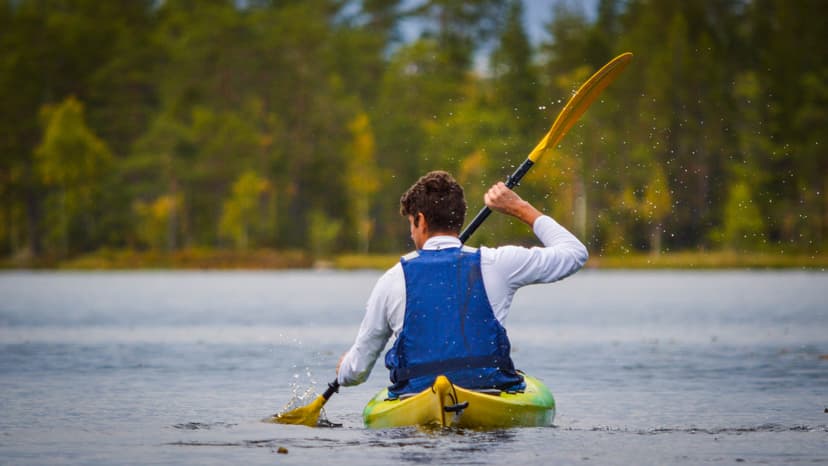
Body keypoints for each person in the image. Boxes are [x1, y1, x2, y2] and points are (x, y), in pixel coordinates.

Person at [336, 170, 588, 397]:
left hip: (416, 398)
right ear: (458, 218)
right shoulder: (498, 263)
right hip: (488, 392)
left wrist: (343, 370)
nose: (411, 234)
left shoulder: (392, 279)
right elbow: (575, 253)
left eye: (411, 225)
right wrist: (520, 208)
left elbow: (357, 371)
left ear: (420, 221)